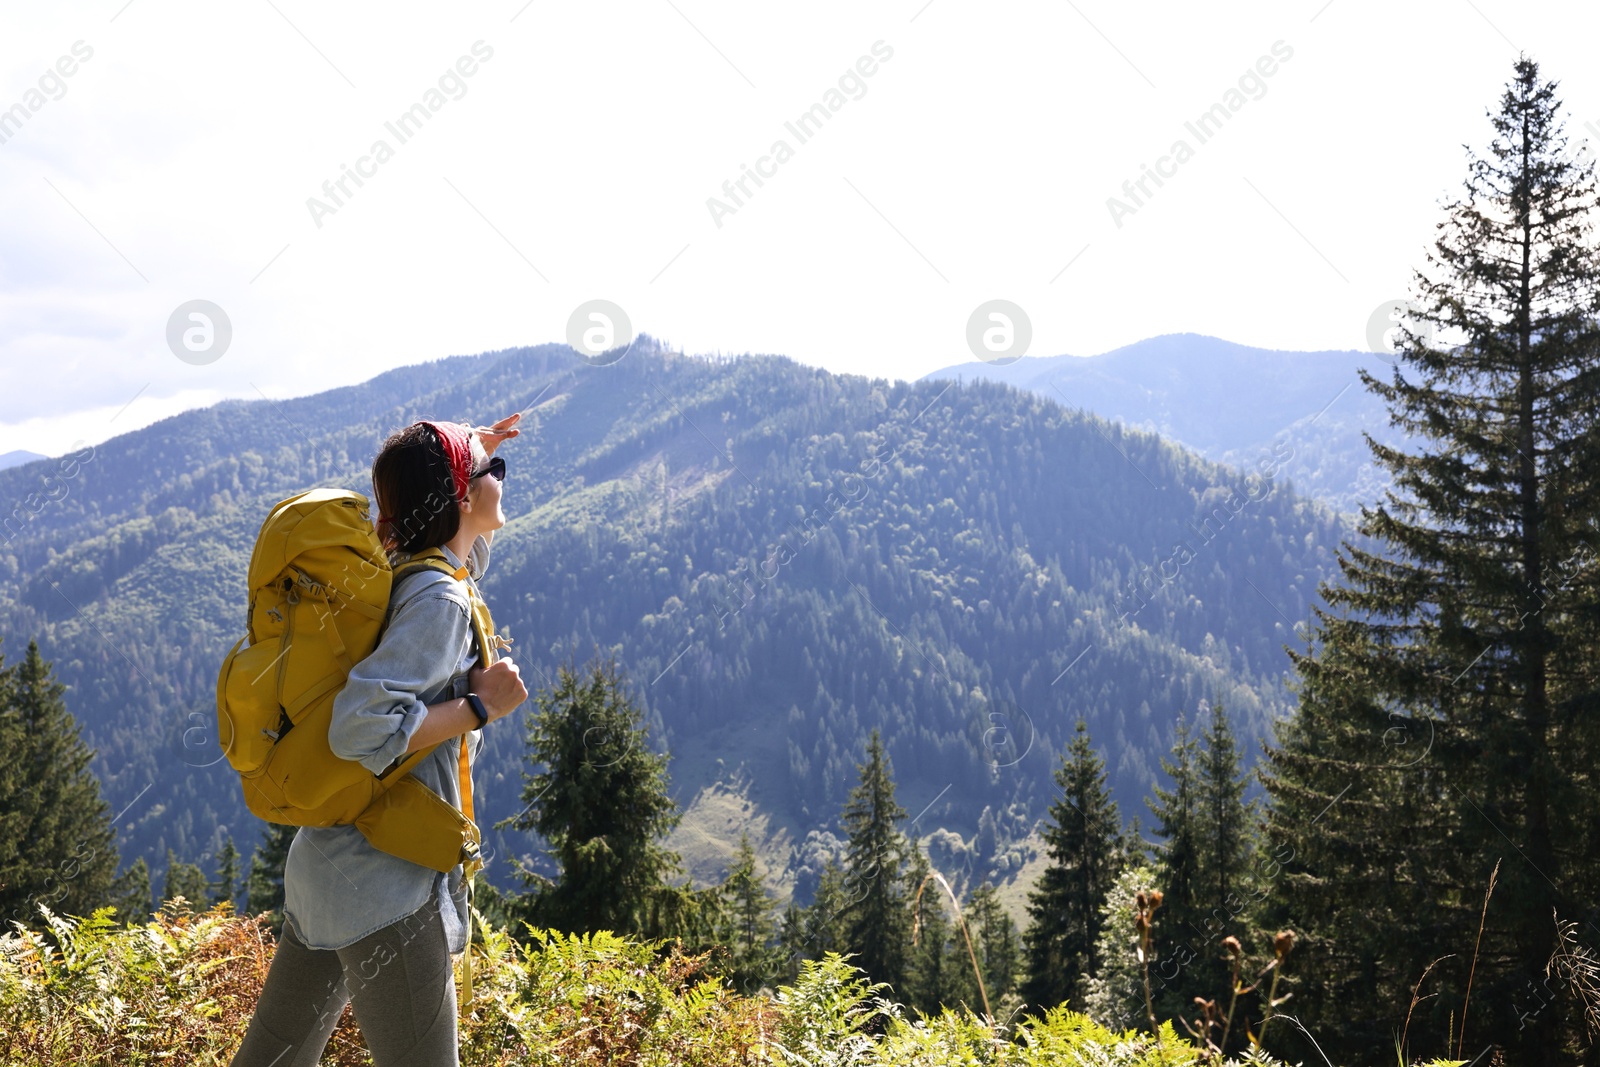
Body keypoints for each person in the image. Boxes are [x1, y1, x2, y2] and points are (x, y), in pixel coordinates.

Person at [231, 414, 528, 1067]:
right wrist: (479, 704)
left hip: (324, 870)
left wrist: (480, 444)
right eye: (491, 473)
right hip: (382, 887)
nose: (503, 480)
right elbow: (360, 726)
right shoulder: (441, 601)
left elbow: (463, 548)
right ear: (459, 497)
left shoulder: (403, 570)